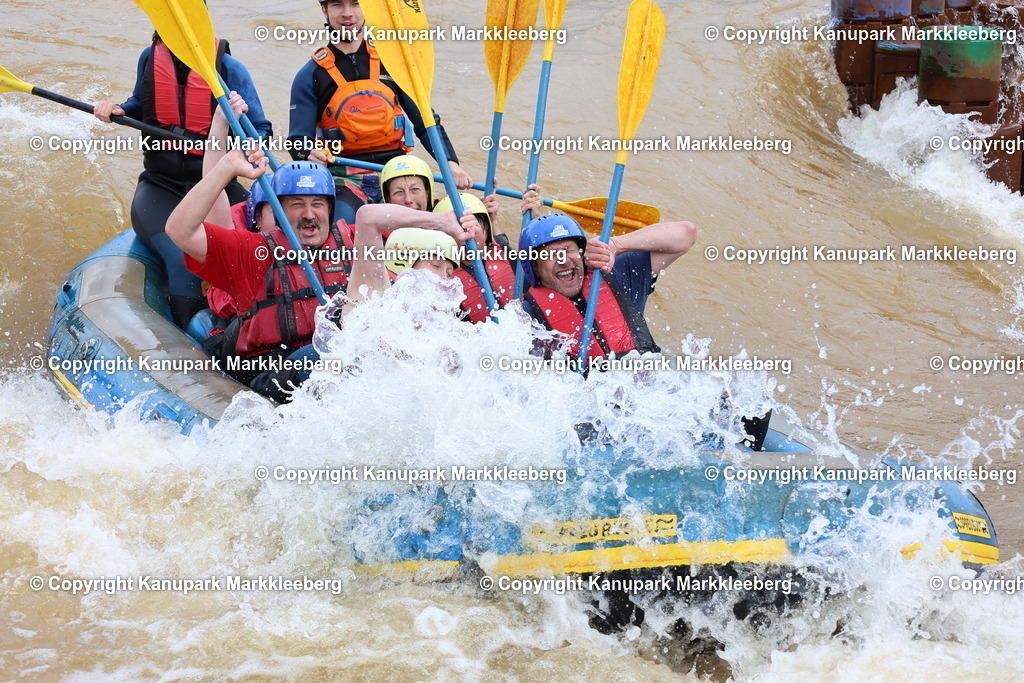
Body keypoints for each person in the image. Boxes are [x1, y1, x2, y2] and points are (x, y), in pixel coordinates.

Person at [165, 148, 470, 402]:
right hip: (272, 374)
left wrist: (445, 223)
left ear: (330, 209)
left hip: (343, 368)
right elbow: (179, 230)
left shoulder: (350, 240)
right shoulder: (253, 252)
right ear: (280, 213)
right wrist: (227, 168)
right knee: (336, 353)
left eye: (317, 205)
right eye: (297, 205)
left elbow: (373, 216)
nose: (309, 214)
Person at [94, 33, 272, 328]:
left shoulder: (228, 68)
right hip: (160, 186)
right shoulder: (149, 58)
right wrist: (121, 109)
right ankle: (194, 349)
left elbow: (262, 129)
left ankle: (249, 327)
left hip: (218, 187)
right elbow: (141, 101)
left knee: (253, 249)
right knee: (183, 260)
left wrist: (251, 142)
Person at [288, 0, 472, 222]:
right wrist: (308, 155)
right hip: (344, 175)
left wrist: (450, 164)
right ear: (325, 10)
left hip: (397, 169)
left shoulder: (394, 63)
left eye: (356, 4)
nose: (348, 14)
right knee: (344, 220)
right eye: (338, 5)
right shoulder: (311, 75)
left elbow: (426, 122)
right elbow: (298, 142)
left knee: (450, 217)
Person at [518, 213, 696, 359]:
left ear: (582, 253)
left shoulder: (618, 275)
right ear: (534, 268)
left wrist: (615, 245)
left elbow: (686, 233)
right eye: (551, 254)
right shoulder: (525, 318)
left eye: (568, 250)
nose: (564, 261)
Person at [432, 193, 517, 323]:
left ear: (487, 231)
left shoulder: (503, 251)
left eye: (474, 231)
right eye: (457, 232)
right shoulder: (437, 275)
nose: (466, 238)